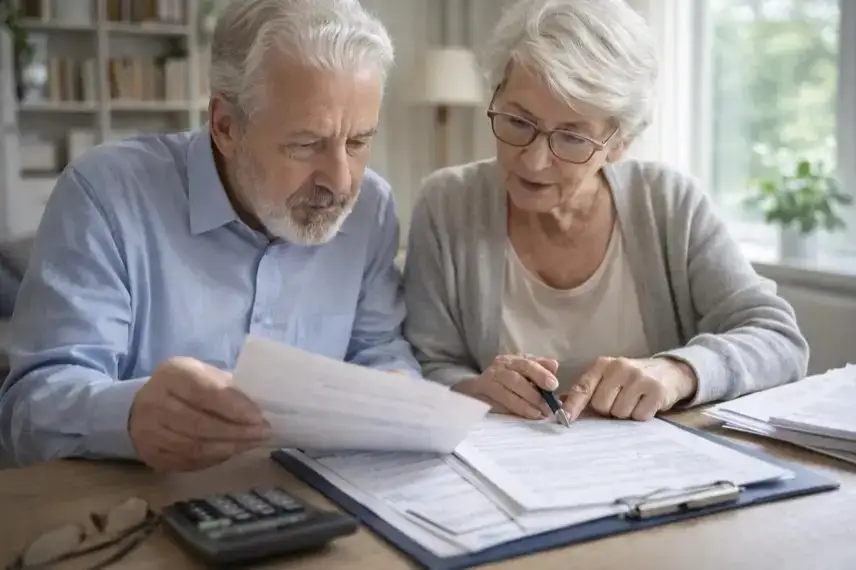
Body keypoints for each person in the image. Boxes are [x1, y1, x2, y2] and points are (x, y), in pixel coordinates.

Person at [0, 0, 420, 471]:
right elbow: (29, 410)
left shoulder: (371, 211)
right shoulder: (106, 196)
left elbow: (380, 349)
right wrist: (131, 415)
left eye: (359, 141)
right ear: (225, 126)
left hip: (319, 506)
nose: (341, 183)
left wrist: (397, 390)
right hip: (139, 513)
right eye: (306, 144)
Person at [402, 0, 809, 424]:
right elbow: (423, 363)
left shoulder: (668, 203)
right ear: (496, 96)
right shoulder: (446, 204)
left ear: (619, 143)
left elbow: (778, 339)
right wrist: (472, 388)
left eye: (573, 138)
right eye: (518, 123)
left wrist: (679, 372)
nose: (534, 161)